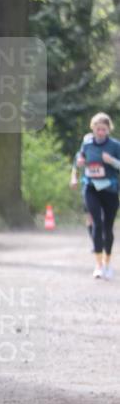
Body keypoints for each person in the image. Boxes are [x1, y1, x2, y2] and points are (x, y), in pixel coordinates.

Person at [70, 112, 120, 279]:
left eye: (103, 129)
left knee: (108, 227)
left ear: (108, 129)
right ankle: (98, 265)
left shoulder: (114, 146)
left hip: (110, 190)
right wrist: (75, 175)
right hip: (91, 187)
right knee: (97, 223)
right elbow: (78, 161)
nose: (100, 132)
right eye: (98, 129)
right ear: (93, 128)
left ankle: (107, 262)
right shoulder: (87, 144)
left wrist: (112, 161)